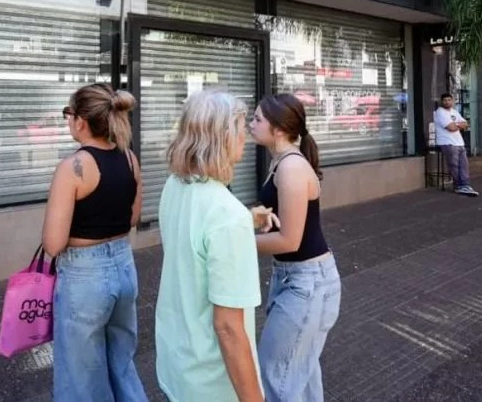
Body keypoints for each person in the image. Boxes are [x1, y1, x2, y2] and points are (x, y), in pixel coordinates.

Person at [156, 90, 265, 402]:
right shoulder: (228, 218)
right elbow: (229, 328)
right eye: (240, 127)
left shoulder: (174, 186)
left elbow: (192, 248)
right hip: (213, 384)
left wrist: (244, 219)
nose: (246, 136)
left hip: (177, 363)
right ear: (221, 136)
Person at [41, 83, 147, 402]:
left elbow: (53, 244)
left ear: (81, 121)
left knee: (81, 376)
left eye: (67, 114)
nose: (67, 120)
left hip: (84, 275)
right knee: (122, 363)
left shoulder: (72, 168)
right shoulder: (130, 159)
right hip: (124, 266)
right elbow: (131, 218)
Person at [250, 93, 341, 402]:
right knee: (299, 374)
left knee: (276, 377)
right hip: (295, 278)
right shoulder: (280, 162)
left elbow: (290, 240)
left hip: (307, 283)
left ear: (278, 129)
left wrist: (233, 242)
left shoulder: (290, 167)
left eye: (257, 119)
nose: (251, 124)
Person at [433, 93, 478, 196]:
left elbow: (466, 123)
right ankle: (458, 185)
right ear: (441, 101)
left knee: (464, 165)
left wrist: (455, 124)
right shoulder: (440, 112)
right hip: (447, 142)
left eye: (449, 100)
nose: (447, 102)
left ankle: (465, 185)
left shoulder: (454, 112)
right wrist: (458, 125)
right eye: (445, 100)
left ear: (452, 101)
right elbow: (451, 128)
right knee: (454, 165)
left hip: (459, 142)